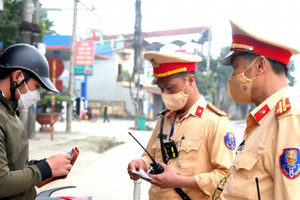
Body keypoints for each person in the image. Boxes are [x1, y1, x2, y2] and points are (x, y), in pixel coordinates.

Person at [127, 51, 236, 200]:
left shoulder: (215, 121)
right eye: (161, 89)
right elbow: (149, 156)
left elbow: (226, 176)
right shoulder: (164, 119)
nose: (165, 94)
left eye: (170, 88)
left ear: (190, 81)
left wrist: (179, 181)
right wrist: (141, 164)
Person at [215, 20, 300, 200]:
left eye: (235, 68)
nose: (231, 77)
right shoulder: (263, 118)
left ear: (260, 66)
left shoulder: (289, 117)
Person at [0, 43, 73, 200]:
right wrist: (44, 169)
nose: (36, 95)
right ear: (17, 77)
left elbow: (14, 166)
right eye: (36, 86)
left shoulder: (10, 112)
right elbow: (2, 183)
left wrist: (47, 165)